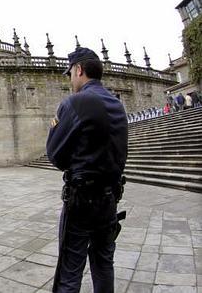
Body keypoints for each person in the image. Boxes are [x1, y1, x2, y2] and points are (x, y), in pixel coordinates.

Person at [47, 47, 127, 293]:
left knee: (70, 270)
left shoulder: (75, 102)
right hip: (109, 199)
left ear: (79, 70)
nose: (70, 80)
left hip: (81, 200)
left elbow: (55, 153)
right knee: (104, 264)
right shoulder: (117, 105)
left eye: (70, 73)